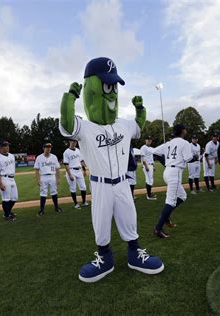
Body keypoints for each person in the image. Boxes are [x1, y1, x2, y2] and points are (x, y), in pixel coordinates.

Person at [59, 57, 163, 282]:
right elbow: (67, 124)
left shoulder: (123, 124)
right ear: (92, 89)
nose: (112, 92)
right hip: (100, 184)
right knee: (101, 221)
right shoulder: (84, 127)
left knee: (129, 216)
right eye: (107, 85)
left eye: (114, 86)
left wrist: (140, 108)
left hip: (123, 181)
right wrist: (70, 97)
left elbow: (139, 126)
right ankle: (104, 257)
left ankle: (135, 253)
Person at [153, 124, 197, 238]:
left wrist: (166, 163)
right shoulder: (184, 142)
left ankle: (166, 217)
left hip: (168, 171)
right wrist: (197, 157)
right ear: (182, 131)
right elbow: (188, 159)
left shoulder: (169, 143)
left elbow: (155, 152)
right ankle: (158, 228)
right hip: (175, 173)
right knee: (170, 202)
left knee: (182, 196)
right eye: (185, 129)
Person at [34, 143, 62, 215]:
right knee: (43, 193)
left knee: (54, 192)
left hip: (52, 176)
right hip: (43, 176)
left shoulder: (54, 157)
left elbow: (57, 168)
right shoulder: (39, 157)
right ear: (43, 148)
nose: (49, 148)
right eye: (47, 147)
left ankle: (56, 207)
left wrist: (58, 178)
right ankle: (42, 210)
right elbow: (36, 170)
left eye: (50, 147)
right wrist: (38, 179)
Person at [0, 140, 18, 221]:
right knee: (6, 198)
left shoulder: (11, 156)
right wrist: (0, 184)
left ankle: (8, 212)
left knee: (14, 198)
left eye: (8, 145)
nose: (7, 147)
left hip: (11, 178)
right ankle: (7, 215)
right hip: (3, 178)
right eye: (5, 145)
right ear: (0, 147)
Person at [63, 139, 89, 208]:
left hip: (79, 170)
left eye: (75, 141)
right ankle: (76, 204)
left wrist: (84, 170)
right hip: (71, 171)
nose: (74, 142)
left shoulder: (78, 150)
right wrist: (69, 174)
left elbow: (81, 160)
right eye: (73, 141)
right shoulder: (66, 152)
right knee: (73, 188)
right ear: (69, 141)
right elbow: (66, 164)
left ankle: (84, 202)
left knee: (83, 187)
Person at [140, 136, 157, 200]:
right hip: (146, 166)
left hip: (151, 165)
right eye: (148, 140)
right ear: (145, 140)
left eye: (150, 140)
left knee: (151, 180)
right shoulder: (143, 148)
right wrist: (146, 166)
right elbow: (143, 158)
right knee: (148, 180)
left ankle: (149, 193)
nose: (149, 141)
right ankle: (149, 196)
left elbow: (151, 158)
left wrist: (153, 166)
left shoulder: (150, 148)